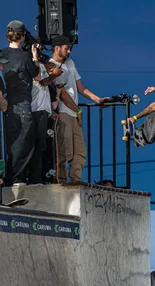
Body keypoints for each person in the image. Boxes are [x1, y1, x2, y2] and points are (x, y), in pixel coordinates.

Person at [50, 35, 109, 184]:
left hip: (74, 113)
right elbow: (62, 93)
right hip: (63, 112)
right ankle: (61, 180)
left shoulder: (70, 63)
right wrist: (78, 110)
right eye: (66, 48)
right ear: (57, 48)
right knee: (64, 150)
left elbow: (80, 87)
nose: (69, 51)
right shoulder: (51, 66)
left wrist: (97, 99)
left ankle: (76, 180)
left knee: (80, 150)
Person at [1, 20, 40, 186]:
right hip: (23, 103)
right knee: (25, 142)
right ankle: (17, 178)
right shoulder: (25, 57)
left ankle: (10, 177)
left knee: (11, 141)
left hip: (9, 102)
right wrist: (35, 56)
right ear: (22, 36)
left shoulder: (2, 54)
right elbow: (36, 74)